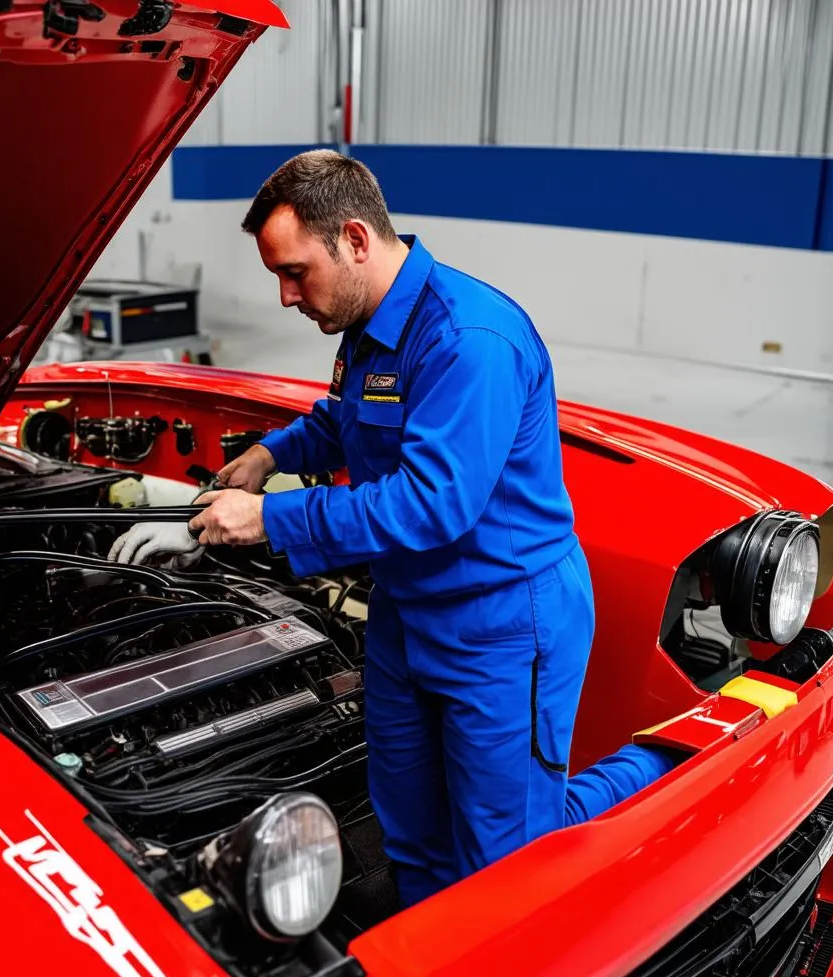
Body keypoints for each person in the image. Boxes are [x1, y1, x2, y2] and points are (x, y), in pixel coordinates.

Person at [108, 150, 668, 907]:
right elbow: (349, 421)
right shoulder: (369, 325)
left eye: (295, 272)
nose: (283, 296)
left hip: (501, 620)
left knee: (509, 853)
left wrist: (269, 516)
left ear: (356, 240)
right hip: (408, 611)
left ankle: (663, 765)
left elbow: (433, 502)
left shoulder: (471, 340)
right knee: (409, 826)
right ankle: (437, 957)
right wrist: (271, 454)